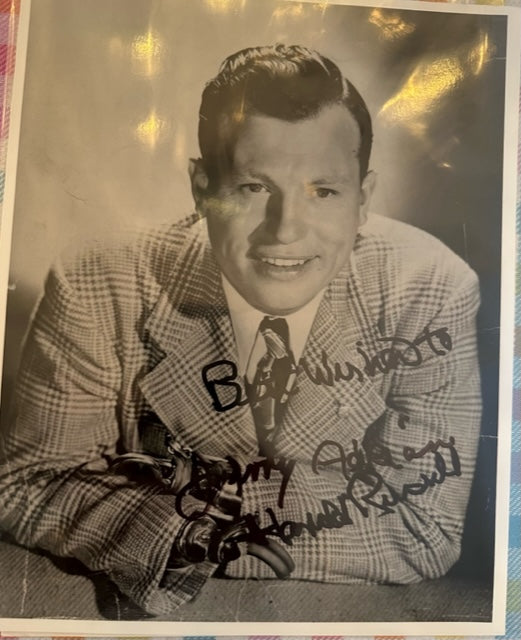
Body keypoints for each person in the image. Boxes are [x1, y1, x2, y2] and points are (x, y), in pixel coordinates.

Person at [0, 44, 481, 616]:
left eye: (323, 191)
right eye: (254, 188)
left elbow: (423, 525)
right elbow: (28, 482)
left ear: (362, 200)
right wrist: (190, 539)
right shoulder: (99, 281)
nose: (286, 231)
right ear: (201, 187)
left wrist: (198, 519)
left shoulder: (429, 289)